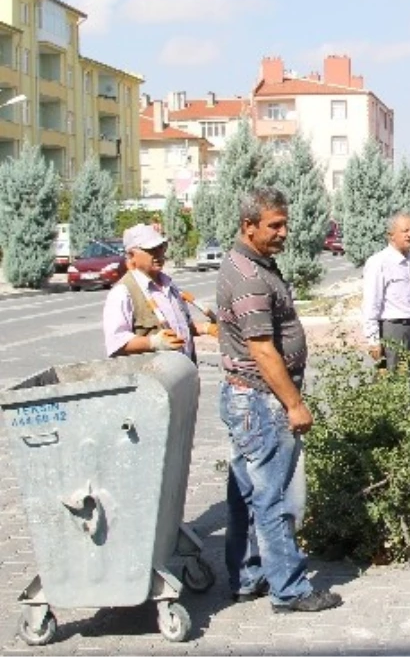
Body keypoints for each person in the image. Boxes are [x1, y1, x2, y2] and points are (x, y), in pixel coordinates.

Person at [216, 187, 342, 614]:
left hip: (245, 397)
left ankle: (247, 577)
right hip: (261, 401)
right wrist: (293, 404)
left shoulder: (249, 263)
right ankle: (290, 590)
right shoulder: (250, 277)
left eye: (284, 223)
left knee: (247, 493)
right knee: (275, 496)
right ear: (248, 226)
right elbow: (263, 350)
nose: (284, 232)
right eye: (274, 225)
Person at [103, 223, 218, 362]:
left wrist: (205, 328)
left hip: (184, 373)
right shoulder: (123, 292)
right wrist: (153, 343)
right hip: (153, 379)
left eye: (161, 248)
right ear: (132, 255)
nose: (159, 254)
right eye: (151, 250)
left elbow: (179, 330)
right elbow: (116, 343)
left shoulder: (170, 286)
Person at [361, 212, 410, 391]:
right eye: (405, 231)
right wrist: (373, 339)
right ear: (391, 235)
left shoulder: (409, 260)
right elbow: (371, 303)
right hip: (392, 330)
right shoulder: (380, 262)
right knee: (390, 385)